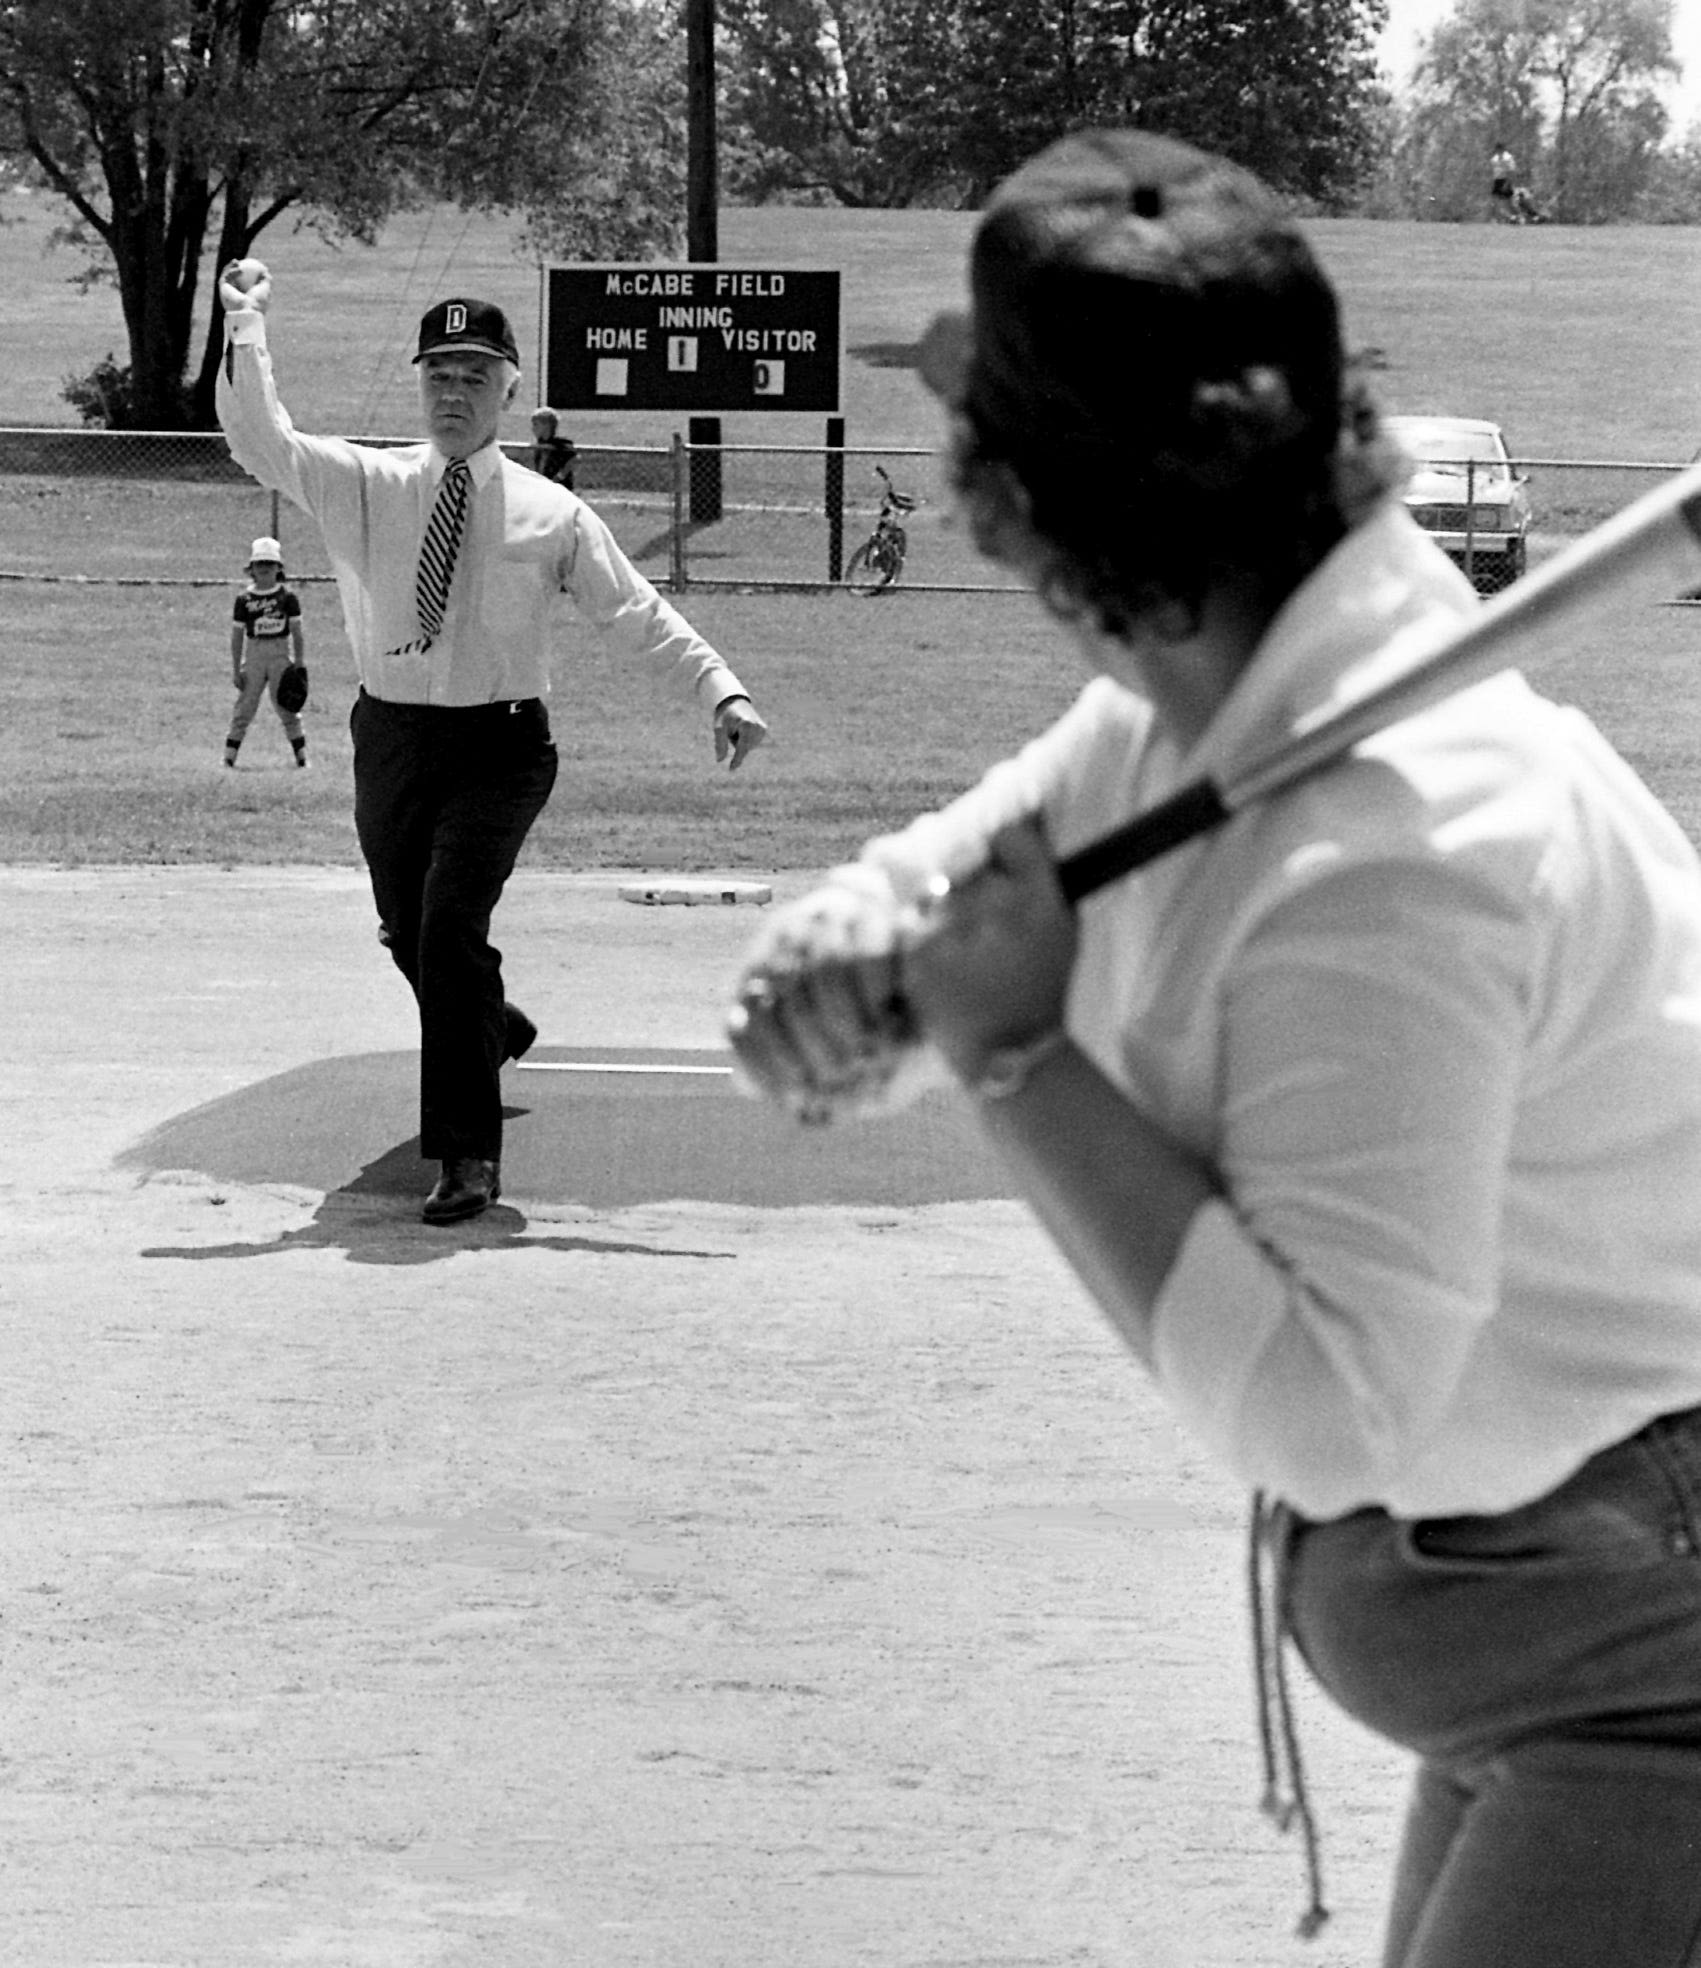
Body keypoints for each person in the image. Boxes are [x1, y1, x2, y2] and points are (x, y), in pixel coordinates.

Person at [727, 129, 1701, 1964]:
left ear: (1004, 502)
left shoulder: (1396, 853)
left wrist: (1020, 1060)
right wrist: (845, 956)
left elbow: (1334, 1410)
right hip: (1551, 1643)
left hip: (1646, 1670)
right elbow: (958, 871)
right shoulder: (1196, 711)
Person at [217, 271, 769, 1225]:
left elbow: (633, 612)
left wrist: (719, 687)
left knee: (445, 929)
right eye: (439, 373)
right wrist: (245, 320)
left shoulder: (551, 513)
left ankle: (467, 1157)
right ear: (419, 384)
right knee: (409, 928)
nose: (453, 392)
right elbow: (256, 439)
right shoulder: (365, 484)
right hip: (391, 737)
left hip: (503, 747)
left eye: (476, 374)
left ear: (509, 390)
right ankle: (491, 1026)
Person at [224, 534, 308, 769]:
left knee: (287, 705)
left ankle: (301, 757)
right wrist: (236, 668)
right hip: (254, 654)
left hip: (280, 653)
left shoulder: (287, 597)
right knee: (245, 707)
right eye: (259, 564)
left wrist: (299, 663)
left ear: (278, 567)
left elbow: (297, 631)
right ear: (251, 568)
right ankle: (229, 758)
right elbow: (238, 636)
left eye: (269, 564)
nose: (264, 569)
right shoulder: (245, 599)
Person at [526, 406, 578, 491]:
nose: (533, 428)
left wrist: (558, 477)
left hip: (560, 489)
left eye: (536, 424)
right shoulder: (539, 445)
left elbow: (573, 459)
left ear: (546, 425)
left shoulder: (561, 445)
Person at [1490, 143, 1517, 218]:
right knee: (1495, 201)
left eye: (1499, 149)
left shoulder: (1508, 158)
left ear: (1502, 149)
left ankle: (1517, 217)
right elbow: (1494, 171)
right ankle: (1501, 219)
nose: (1498, 151)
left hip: (1505, 180)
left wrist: (1507, 183)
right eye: (1497, 149)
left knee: (1509, 202)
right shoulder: (1494, 159)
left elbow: (1511, 171)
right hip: (1497, 181)